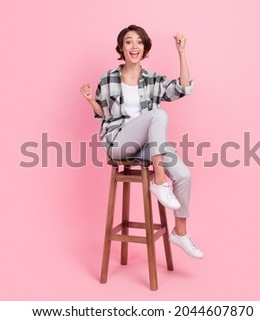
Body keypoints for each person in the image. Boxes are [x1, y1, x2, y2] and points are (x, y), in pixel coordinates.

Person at [80, 25, 203, 259]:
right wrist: (90, 100)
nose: (134, 46)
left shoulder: (153, 80)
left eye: (138, 42)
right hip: (118, 143)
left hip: (147, 147)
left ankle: (180, 232)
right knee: (158, 115)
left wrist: (182, 53)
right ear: (121, 48)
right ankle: (159, 180)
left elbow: (183, 88)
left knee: (184, 174)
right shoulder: (109, 78)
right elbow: (103, 113)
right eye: (128, 42)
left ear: (145, 48)